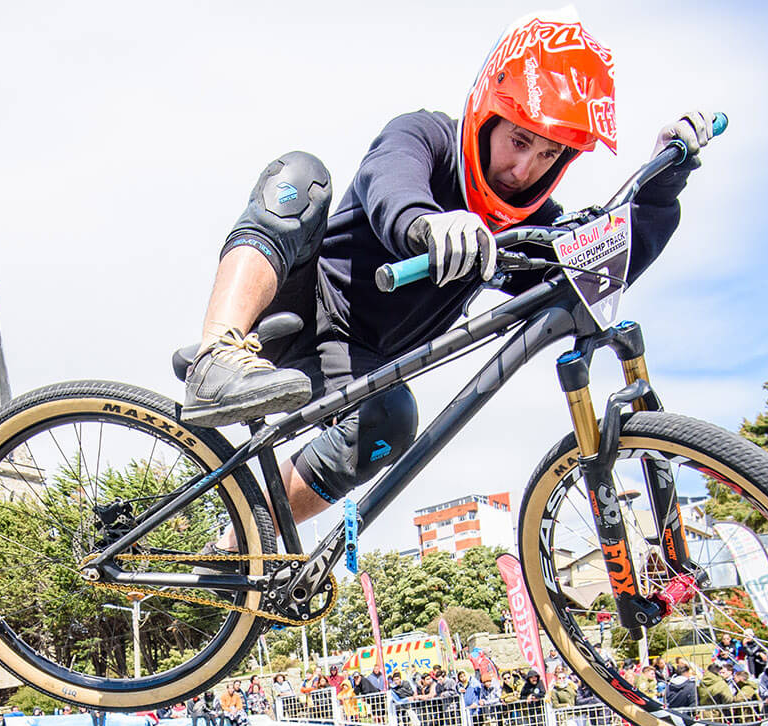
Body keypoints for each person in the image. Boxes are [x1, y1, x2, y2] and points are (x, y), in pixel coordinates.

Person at [182, 11, 709, 545]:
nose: (525, 170)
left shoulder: (528, 225)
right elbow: (388, 179)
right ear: (488, 118)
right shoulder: (426, 136)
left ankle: (237, 546)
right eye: (520, 142)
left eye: (548, 154)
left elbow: (597, 274)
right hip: (296, 305)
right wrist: (426, 223)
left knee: (392, 418)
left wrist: (662, 190)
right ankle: (215, 356)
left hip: (355, 361)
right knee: (300, 176)